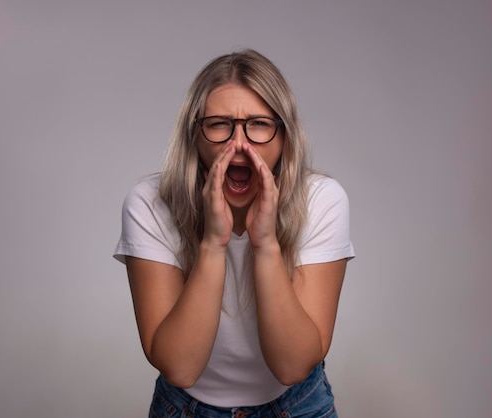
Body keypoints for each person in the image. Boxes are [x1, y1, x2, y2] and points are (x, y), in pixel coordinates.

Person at [114, 49, 354, 417]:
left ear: (285, 137)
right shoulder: (149, 203)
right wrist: (213, 243)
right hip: (186, 408)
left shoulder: (321, 200)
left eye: (258, 123)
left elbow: (293, 366)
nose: (238, 144)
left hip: (298, 406)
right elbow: (179, 367)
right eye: (219, 123)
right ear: (195, 136)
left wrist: (266, 243)